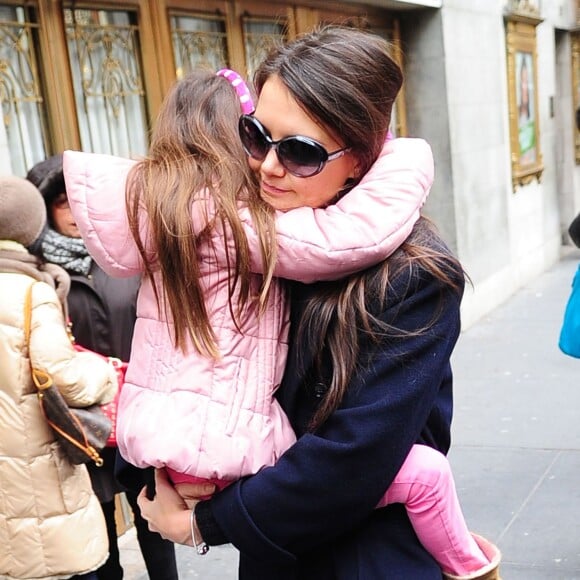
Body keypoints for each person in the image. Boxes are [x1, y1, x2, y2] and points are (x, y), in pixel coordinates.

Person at [63, 56, 499, 578]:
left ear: (360, 159)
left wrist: (207, 523)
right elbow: (170, 368)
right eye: (256, 136)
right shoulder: (250, 239)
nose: (268, 165)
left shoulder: (411, 273)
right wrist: (153, 478)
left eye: (299, 151)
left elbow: (355, 454)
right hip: (274, 556)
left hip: (363, 556)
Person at [26, 156, 178, 580]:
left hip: (139, 413)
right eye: (61, 204)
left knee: (155, 520)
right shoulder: (40, 276)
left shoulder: (127, 259)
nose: (74, 215)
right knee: (98, 529)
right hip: (79, 421)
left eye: (79, 203)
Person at [0, 175, 117, 580]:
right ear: (34, 226)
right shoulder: (33, 293)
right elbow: (63, 378)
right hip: (38, 464)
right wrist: (105, 372)